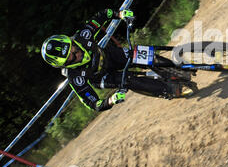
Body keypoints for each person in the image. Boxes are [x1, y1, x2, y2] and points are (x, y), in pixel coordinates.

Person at [41, 8, 181, 112]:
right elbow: (93, 104)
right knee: (127, 79)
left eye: (71, 47)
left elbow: (103, 15)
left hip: (109, 55)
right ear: (64, 64)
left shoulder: (82, 36)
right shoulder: (75, 77)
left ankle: (177, 66)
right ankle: (168, 90)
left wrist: (120, 14)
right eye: (70, 57)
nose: (75, 53)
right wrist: (110, 100)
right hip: (102, 77)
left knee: (139, 55)